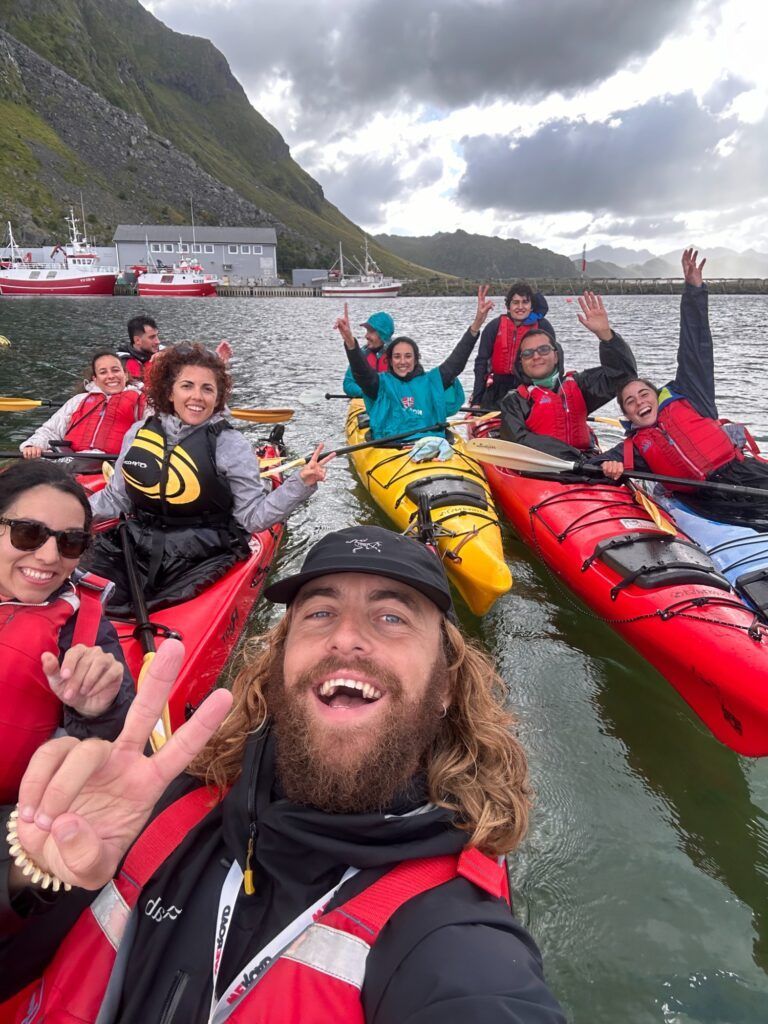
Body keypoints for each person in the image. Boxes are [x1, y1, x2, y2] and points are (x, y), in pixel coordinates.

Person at [0, 526, 566, 1023]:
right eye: (319, 613)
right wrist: (35, 874)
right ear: (277, 670)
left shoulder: (453, 936)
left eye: (391, 617)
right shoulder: (163, 803)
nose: (346, 637)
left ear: (444, 688)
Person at [86, 343, 332, 612]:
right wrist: (71, 514)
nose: (197, 397)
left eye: (207, 389)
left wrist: (301, 483)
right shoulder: (137, 433)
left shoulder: (231, 445)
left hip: (203, 552)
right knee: (82, 589)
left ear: (218, 398)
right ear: (170, 392)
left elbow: (252, 517)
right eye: (187, 386)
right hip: (136, 541)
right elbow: (115, 498)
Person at [597, 249, 768, 526]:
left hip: (746, 475)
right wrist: (608, 467)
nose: (639, 402)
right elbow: (593, 466)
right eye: (630, 402)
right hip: (706, 500)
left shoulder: (691, 398)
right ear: (628, 416)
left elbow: (695, 346)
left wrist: (694, 291)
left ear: (658, 396)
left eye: (643, 394)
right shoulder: (634, 449)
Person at [0, 461, 133, 805]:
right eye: (27, 533)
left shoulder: (84, 634)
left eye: (70, 542)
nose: (48, 557)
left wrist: (97, 710)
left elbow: (122, 742)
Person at [336, 286, 494, 442]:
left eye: (408, 356)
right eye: (397, 356)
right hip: (391, 446)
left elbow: (457, 361)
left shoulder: (431, 381)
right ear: (390, 361)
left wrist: (476, 325)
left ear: (416, 359)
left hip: (430, 442)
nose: (402, 361)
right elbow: (361, 372)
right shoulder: (381, 384)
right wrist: (350, 342)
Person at [499, 291, 637, 460]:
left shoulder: (579, 385)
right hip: (544, 470)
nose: (536, 356)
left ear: (556, 356)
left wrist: (606, 336)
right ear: (521, 363)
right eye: (527, 353)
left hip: (585, 464)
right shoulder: (514, 401)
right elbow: (519, 442)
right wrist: (575, 457)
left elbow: (624, 376)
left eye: (543, 350)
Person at [19, 352, 145, 459]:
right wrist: (32, 445)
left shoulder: (142, 402)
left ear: (126, 375)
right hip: (73, 461)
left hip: (115, 464)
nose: (111, 376)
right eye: (103, 372)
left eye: (115, 370)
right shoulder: (78, 400)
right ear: (95, 379)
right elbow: (50, 431)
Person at [471, 282, 557, 408]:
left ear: (531, 306)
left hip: (530, 388)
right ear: (508, 306)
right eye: (515, 302)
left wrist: (554, 394)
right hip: (497, 389)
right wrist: (476, 401)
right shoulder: (494, 327)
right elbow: (481, 363)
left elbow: (554, 363)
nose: (520, 307)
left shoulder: (543, 327)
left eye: (525, 302)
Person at [340, 310, 394, 397]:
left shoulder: (398, 356)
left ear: (383, 334)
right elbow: (348, 383)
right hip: (364, 400)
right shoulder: (362, 354)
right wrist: (366, 392)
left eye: (371, 332)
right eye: (367, 331)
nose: (366, 336)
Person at [117, 316, 160, 382]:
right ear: (137, 340)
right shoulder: (124, 362)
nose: (158, 341)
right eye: (152, 337)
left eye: (157, 335)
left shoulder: (164, 351)